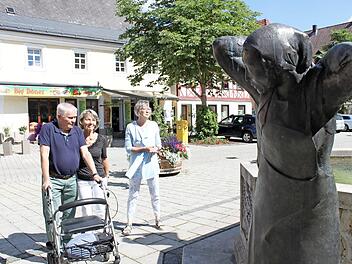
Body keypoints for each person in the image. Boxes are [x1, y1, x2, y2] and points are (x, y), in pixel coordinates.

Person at [213, 24, 352, 264]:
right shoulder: (263, 92)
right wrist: (268, 39)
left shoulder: (316, 94)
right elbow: (222, 47)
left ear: (274, 65)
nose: (248, 73)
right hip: (268, 200)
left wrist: (325, 58)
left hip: (307, 209)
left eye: (253, 65)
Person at [40, 102, 99, 247]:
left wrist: (95, 174)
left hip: (71, 179)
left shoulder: (77, 131)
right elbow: (44, 154)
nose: (73, 120)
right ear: (59, 116)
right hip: (54, 179)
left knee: (69, 213)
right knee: (52, 213)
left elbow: (85, 153)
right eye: (70, 118)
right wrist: (46, 179)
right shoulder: (48, 129)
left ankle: (66, 243)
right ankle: (54, 244)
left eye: (74, 117)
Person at [122, 100, 162, 236]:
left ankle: (158, 218)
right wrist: (143, 148)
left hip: (151, 163)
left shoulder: (154, 125)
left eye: (149, 108)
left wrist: (155, 149)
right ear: (138, 112)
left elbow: (159, 145)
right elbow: (128, 148)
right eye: (145, 109)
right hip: (136, 165)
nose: (148, 110)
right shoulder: (130, 127)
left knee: (155, 193)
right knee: (133, 194)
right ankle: (129, 223)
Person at [77, 109, 109, 218]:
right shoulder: (77, 137)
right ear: (81, 121)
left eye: (93, 120)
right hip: (83, 178)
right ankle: (88, 232)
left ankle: (101, 229)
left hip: (99, 177)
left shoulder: (101, 139)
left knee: (100, 206)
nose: (91, 122)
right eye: (87, 119)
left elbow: (104, 158)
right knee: (86, 207)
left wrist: (106, 176)